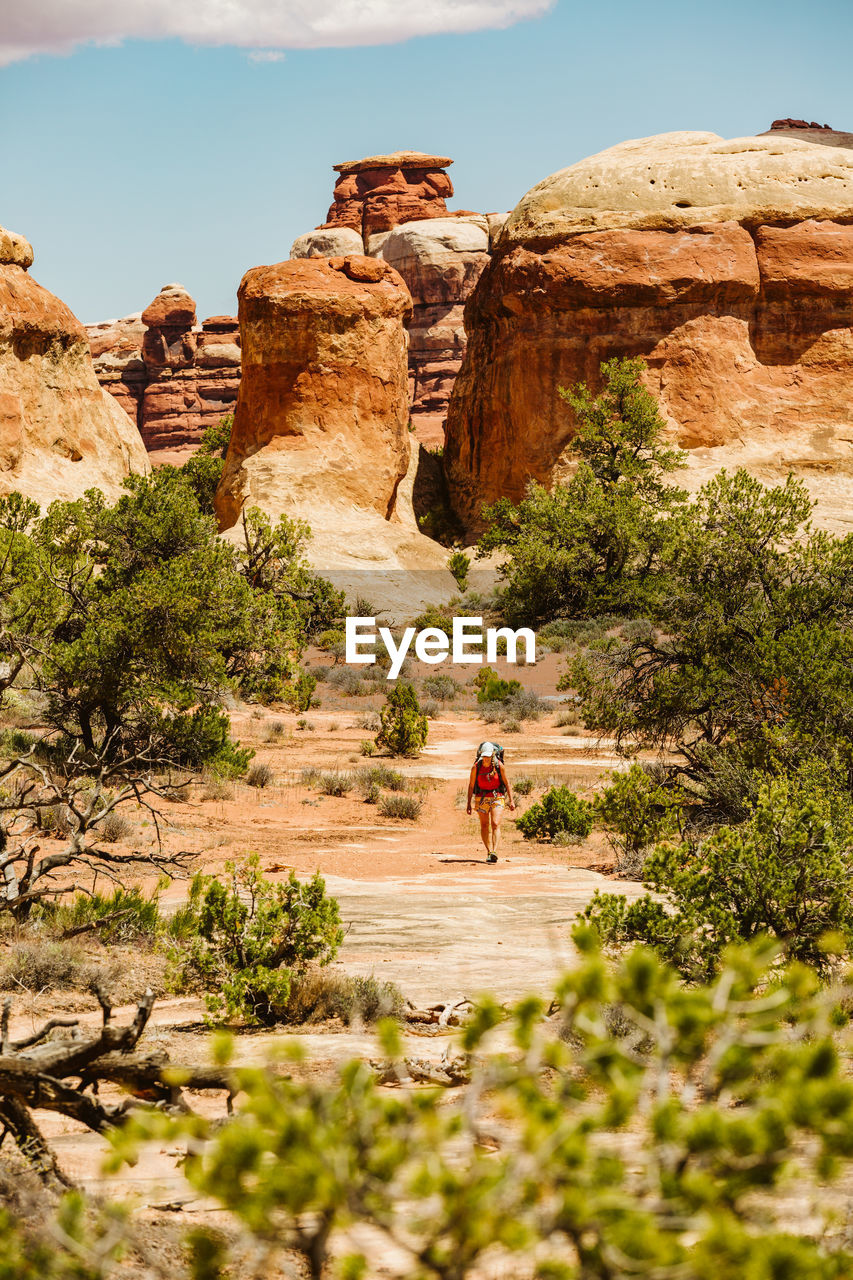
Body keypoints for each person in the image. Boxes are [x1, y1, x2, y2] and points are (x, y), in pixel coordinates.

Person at [466, 741, 515, 863]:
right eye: (484, 756)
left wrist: (511, 800)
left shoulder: (499, 766)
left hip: (497, 796)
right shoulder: (476, 767)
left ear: (492, 755)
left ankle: (494, 851)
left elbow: (507, 783)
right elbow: (471, 786)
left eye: (488, 756)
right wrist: (468, 803)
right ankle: (488, 851)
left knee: (495, 823)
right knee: (484, 825)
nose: (486, 758)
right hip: (481, 798)